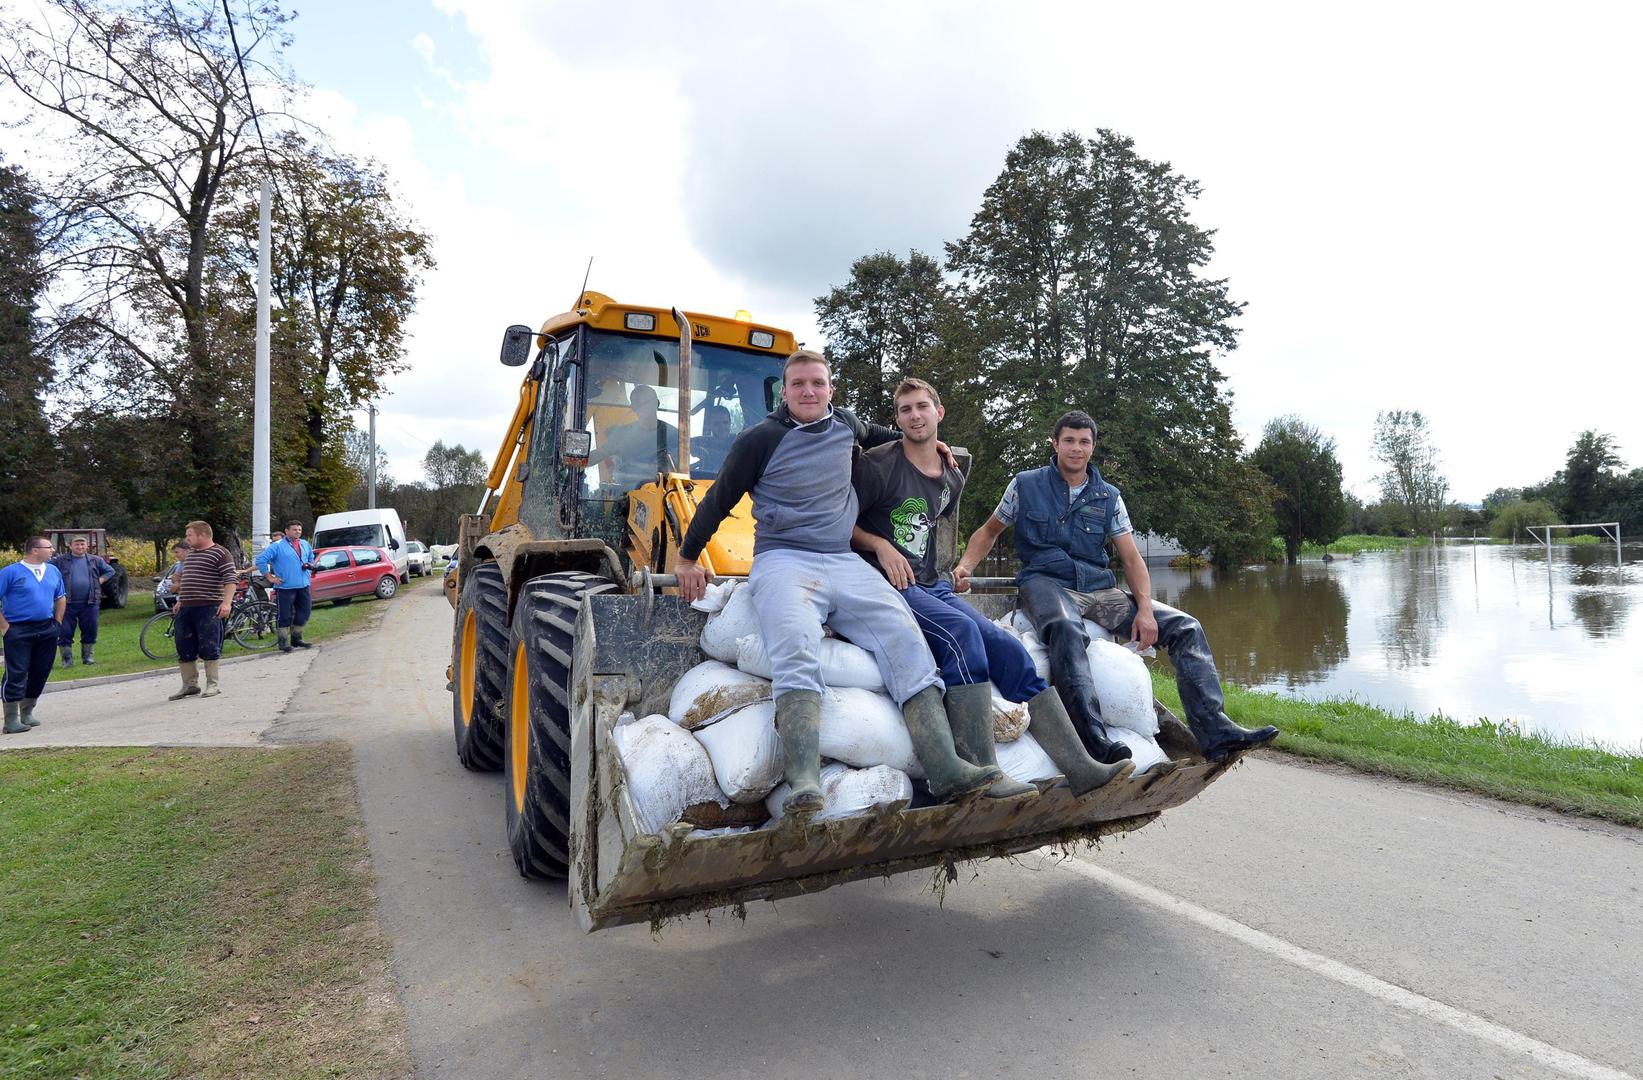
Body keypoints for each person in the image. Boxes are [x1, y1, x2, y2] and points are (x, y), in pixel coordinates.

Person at [672, 349, 1000, 816]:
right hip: (784, 559)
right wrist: (687, 558)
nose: (809, 391)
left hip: (844, 560)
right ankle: (804, 778)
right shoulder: (759, 439)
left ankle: (945, 767)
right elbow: (718, 500)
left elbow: (888, 434)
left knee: (906, 637)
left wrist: (933, 443)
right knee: (795, 644)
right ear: (784, 391)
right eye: (799, 384)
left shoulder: (846, 423)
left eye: (818, 383)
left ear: (830, 389)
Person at [852, 378, 1133, 795]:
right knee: (963, 635)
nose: (914, 416)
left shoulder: (951, 476)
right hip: (886, 583)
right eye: (905, 409)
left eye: (922, 407)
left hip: (929, 583)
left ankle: (1081, 768)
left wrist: (956, 569)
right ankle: (984, 773)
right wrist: (879, 545)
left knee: (1009, 649)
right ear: (897, 418)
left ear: (938, 412)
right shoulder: (878, 466)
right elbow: (837, 522)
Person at [954, 410, 1279, 763]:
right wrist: (965, 567)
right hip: (1046, 583)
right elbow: (989, 531)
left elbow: (1132, 559)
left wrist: (1145, 609)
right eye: (1069, 441)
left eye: (1084, 442)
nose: (1076, 448)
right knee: (1065, 628)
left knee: (1186, 627)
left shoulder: (1108, 496)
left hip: (1098, 588)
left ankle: (1216, 731)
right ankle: (1092, 737)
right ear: (1055, 444)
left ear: (1093, 447)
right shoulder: (1025, 484)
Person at [1, 537, 66, 733]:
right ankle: (10, 720)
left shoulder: (53, 571)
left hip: (47, 628)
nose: (52, 550)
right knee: (17, 672)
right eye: (48, 547)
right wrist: (5, 627)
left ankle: (27, 711)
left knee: (41, 670)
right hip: (18, 629)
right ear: (35, 550)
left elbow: (61, 597)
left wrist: (57, 623)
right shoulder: (10, 572)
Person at [169, 520, 238, 700]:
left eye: (190, 535)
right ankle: (190, 685)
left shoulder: (221, 553)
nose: (187, 539)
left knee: (209, 645)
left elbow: (231, 580)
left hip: (209, 607)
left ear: (203, 535)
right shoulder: (191, 554)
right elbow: (186, 579)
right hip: (186, 607)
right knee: (183, 645)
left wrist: (226, 603)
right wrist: (180, 600)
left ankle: (212, 684)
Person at [588, 384, 680, 488]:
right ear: (633, 408)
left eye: (647, 403)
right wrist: (578, 458)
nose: (644, 408)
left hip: (664, 493)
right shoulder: (621, 435)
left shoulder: (673, 435)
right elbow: (600, 453)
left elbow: (678, 468)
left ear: (657, 403)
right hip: (626, 494)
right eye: (639, 404)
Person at [50, 534, 115, 666]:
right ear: (70, 546)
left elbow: (110, 571)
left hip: (90, 602)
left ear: (86, 546)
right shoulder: (60, 560)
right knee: (64, 632)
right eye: (77, 544)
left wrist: (100, 580)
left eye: (82, 544)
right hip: (66, 603)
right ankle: (67, 660)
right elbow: (45, 568)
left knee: (90, 630)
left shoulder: (95, 560)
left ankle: (88, 658)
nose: (80, 547)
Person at [255, 520, 315, 653]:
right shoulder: (277, 546)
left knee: (304, 612)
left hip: (303, 585)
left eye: (299, 530)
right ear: (286, 531)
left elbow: (311, 557)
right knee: (285, 615)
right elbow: (260, 560)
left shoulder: (304, 544)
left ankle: (297, 638)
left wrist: (309, 567)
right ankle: (283, 641)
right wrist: (270, 577)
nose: (297, 532)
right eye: (294, 529)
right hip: (285, 587)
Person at [690, 403, 736, 476]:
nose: (722, 427)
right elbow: (681, 445)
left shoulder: (738, 442)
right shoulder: (703, 442)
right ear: (709, 425)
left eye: (725, 423)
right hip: (706, 480)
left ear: (730, 423)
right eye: (717, 424)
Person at [155, 541, 190, 610]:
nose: (175, 555)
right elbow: (175, 576)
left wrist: (179, 584)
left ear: (187, 551)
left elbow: (191, 578)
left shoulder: (194, 562)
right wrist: (176, 583)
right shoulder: (181, 563)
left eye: (177, 552)